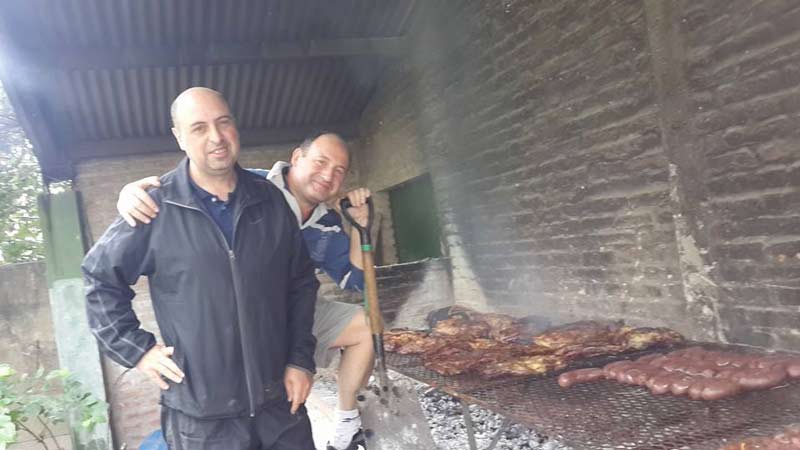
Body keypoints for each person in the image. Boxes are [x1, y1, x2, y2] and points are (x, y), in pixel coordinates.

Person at [83, 87, 319, 450]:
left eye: (223, 122)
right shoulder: (156, 207)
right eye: (198, 128)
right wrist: (138, 350)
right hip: (203, 422)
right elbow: (100, 279)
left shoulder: (269, 199)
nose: (216, 137)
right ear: (179, 137)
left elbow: (301, 283)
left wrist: (301, 361)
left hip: (281, 409)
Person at [117, 133, 374, 450]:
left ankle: (346, 424)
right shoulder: (248, 184)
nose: (328, 175)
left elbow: (357, 282)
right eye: (321, 162)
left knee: (366, 325)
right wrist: (129, 194)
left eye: (339, 170)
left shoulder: (328, 223)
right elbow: (187, 187)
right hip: (238, 311)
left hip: (296, 306)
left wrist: (359, 226)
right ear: (297, 158)